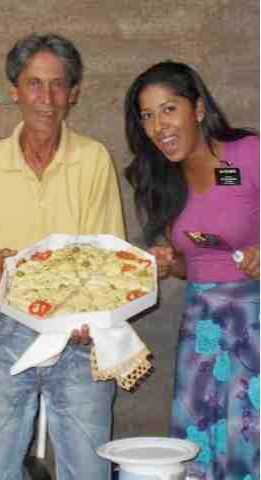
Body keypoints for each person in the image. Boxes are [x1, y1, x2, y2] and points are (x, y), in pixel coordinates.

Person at [0, 33, 125, 480]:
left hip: (78, 327)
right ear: (15, 91)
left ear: (73, 93)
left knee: (89, 466)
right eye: (34, 84)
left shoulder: (93, 159)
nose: (46, 98)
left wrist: (91, 317)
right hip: (0, 321)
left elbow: (108, 258)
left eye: (57, 84)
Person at [124, 60, 259, 480]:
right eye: (147, 115)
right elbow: (195, 263)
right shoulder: (162, 180)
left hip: (254, 321)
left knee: (248, 438)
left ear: (198, 109)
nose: (158, 126)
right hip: (202, 328)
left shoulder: (248, 154)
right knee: (198, 442)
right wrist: (169, 263)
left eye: (169, 109)